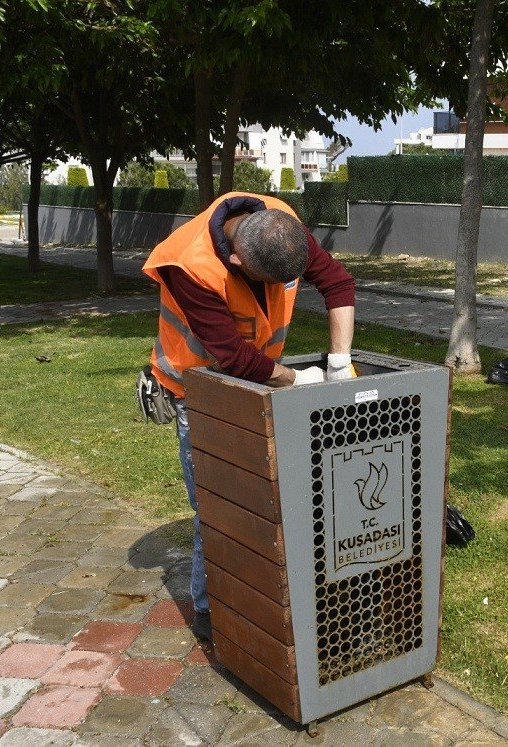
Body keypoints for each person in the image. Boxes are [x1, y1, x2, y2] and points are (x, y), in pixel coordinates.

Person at [141, 192, 356, 642]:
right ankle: (209, 609)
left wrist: (339, 361)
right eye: (268, 283)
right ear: (237, 260)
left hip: (260, 379)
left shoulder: (281, 225)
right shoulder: (189, 264)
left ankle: (274, 592)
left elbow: (337, 283)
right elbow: (233, 358)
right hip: (198, 389)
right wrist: (299, 380)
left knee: (269, 491)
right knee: (218, 499)